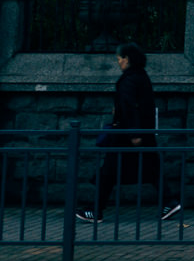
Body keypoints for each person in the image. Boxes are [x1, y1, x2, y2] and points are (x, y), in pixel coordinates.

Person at [77, 42, 181, 222]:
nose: (118, 63)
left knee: (109, 171)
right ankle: (169, 202)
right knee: (151, 169)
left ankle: (96, 210)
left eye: (119, 59)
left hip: (126, 135)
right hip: (140, 132)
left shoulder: (129, 80)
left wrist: (134, 133)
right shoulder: (141, 76)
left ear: (127, 59)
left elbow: (129, 107)